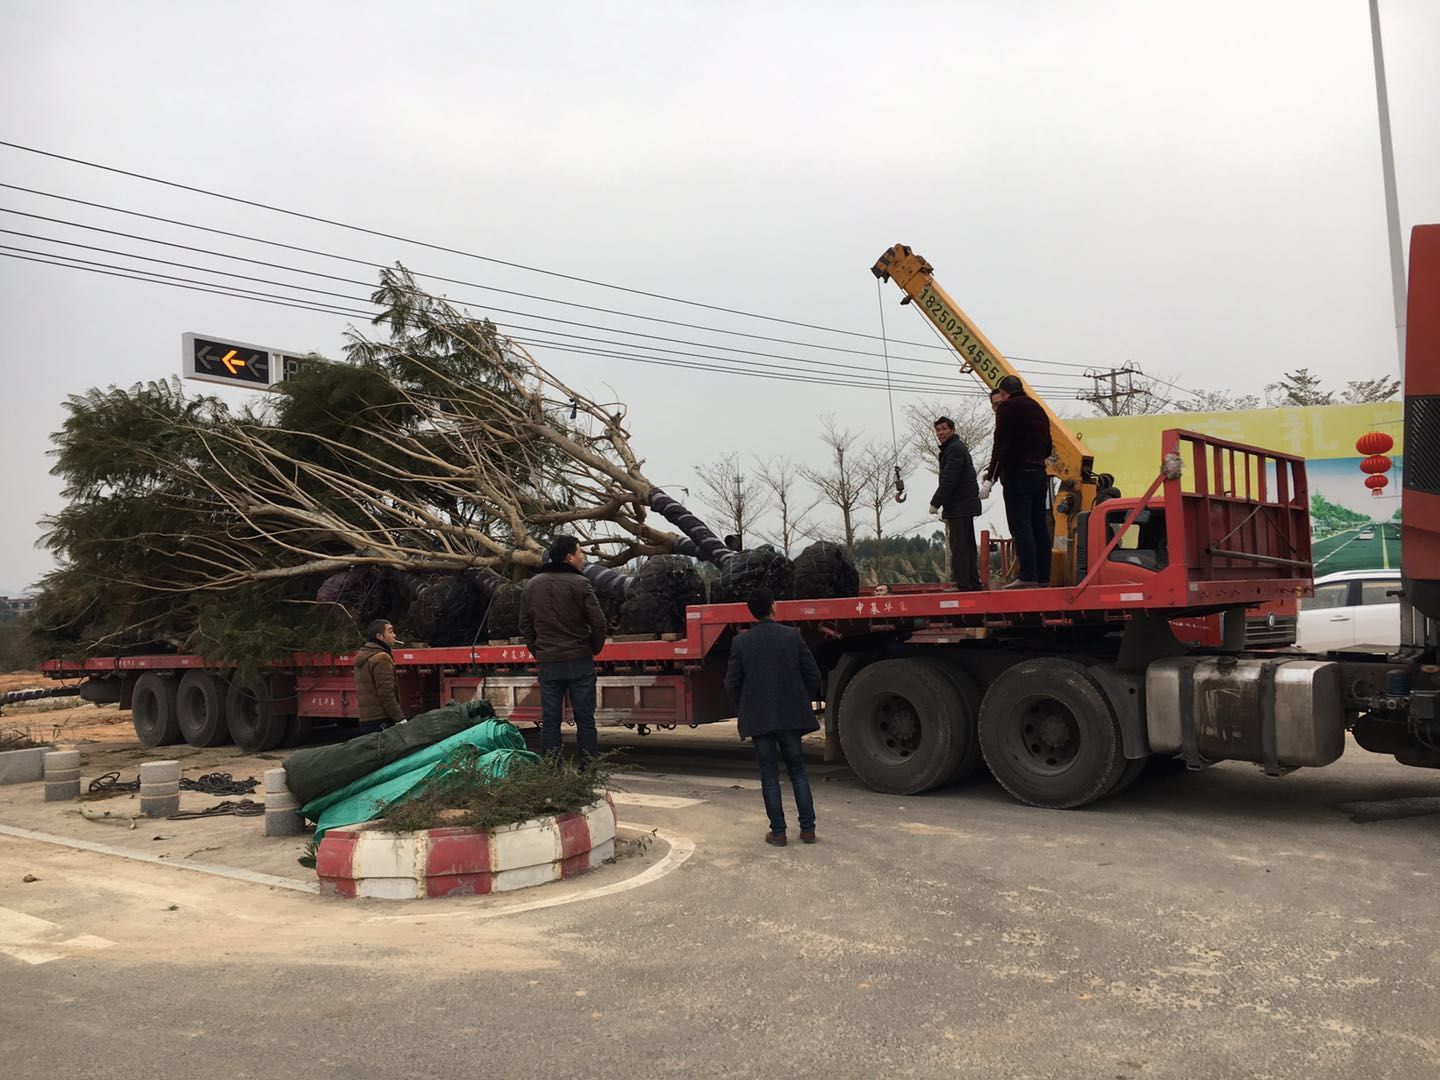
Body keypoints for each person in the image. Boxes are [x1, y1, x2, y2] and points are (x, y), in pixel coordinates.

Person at [724, 587, 822, 847]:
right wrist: (801, 699)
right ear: (773, 607)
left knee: (769, 774)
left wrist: (746, 705)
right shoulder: (792, 636)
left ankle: (778, 832)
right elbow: (812, 674)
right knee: (798, 770)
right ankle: (808, 830)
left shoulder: (741, 642)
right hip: (790, 714)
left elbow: (731, 683)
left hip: (759, 717)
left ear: (751, 611)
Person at [520, 535, 607, 768]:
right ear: (570, 557)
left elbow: (525, 627)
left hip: (549, 662)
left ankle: (552, 772)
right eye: (580, 552)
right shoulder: (581, 583)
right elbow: (599, 623)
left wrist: (539, 652)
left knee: (550, 720)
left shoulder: (532, 585)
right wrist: (593, 648)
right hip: (579, 660)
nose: (582, 557)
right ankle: (588, 770)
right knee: (585, 719)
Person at [985, 374, 1054, 588]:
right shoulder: (1038, 408)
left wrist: (990, 477)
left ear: (1004, 393)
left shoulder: (1008, 408)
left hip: (1018, 474)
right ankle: (1043, 577)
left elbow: (1001, 444)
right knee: (1039, 525)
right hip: (1039, 474)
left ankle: (1027, 576)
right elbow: (1049, 445)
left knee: (1020, 525)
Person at [927, 416, 982, 591]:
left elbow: (950, 479)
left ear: (952, 430)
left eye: (944, 429)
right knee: (966, 545)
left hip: (960, 505)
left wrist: (936, 502)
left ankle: (963, 583)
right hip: (963, 504)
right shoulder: (954, 448)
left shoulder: (954, 449)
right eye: (938, 430)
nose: (941, 433)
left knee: (959, 546)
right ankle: (972, 582)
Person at [354, 619, 406, 729]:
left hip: (366, 720)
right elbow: (386, 693)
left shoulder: (364, 656)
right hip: (382, 720)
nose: (394, 635)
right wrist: (400, 719)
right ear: (379, 636)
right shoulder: (381, 657)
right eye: (390, 632)